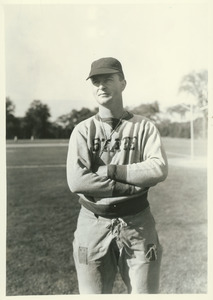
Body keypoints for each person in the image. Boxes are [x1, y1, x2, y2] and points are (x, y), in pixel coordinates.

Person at [66, 57, 168, 294]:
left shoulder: (144, 126)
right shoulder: (83, 130)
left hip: (138, 224)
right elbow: (77, 181)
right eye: (96, 81)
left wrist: (109, 170)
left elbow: (158, 169)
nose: (101, 86)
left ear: (123, 83)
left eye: (108, 79)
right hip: (92, 223)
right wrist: (130, 186)